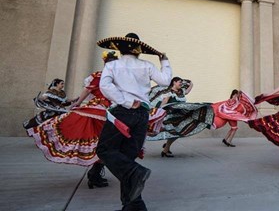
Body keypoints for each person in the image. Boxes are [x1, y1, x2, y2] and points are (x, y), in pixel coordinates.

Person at [96, 33, 172, 211]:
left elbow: (105, 86)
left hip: (122, 112)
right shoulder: (147, 65)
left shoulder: (113, 65)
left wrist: (127, 102)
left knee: (105, 150)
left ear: (119, 49)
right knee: (127, 157)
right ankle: (134, 205)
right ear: (139, 51)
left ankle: (135, 174)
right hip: (142, 115)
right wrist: (165, 61)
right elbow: (166, 80)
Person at [26, 51, 119, 189]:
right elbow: (88, 90)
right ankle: (95, 174)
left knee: (101, 143)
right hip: (103, 110)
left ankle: (95, 174)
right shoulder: (107, 76)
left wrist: (78, 102)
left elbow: (88, 90)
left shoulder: (102, 75)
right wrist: (77, 102)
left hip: (102, 109)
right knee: (105, 142)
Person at [147, 77, 213, 157]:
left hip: (180, 117)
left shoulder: (181, 91)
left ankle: (166, 148)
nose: (181, 84)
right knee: (171, 132)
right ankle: (164, 149)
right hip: (170, 117)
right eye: (179, 82)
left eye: (182, 83)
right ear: (174, 82)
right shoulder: (169, 93)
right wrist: (158, 115)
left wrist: (191, 83)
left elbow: (188, 89)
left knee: (178, 133)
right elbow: (163, 105)